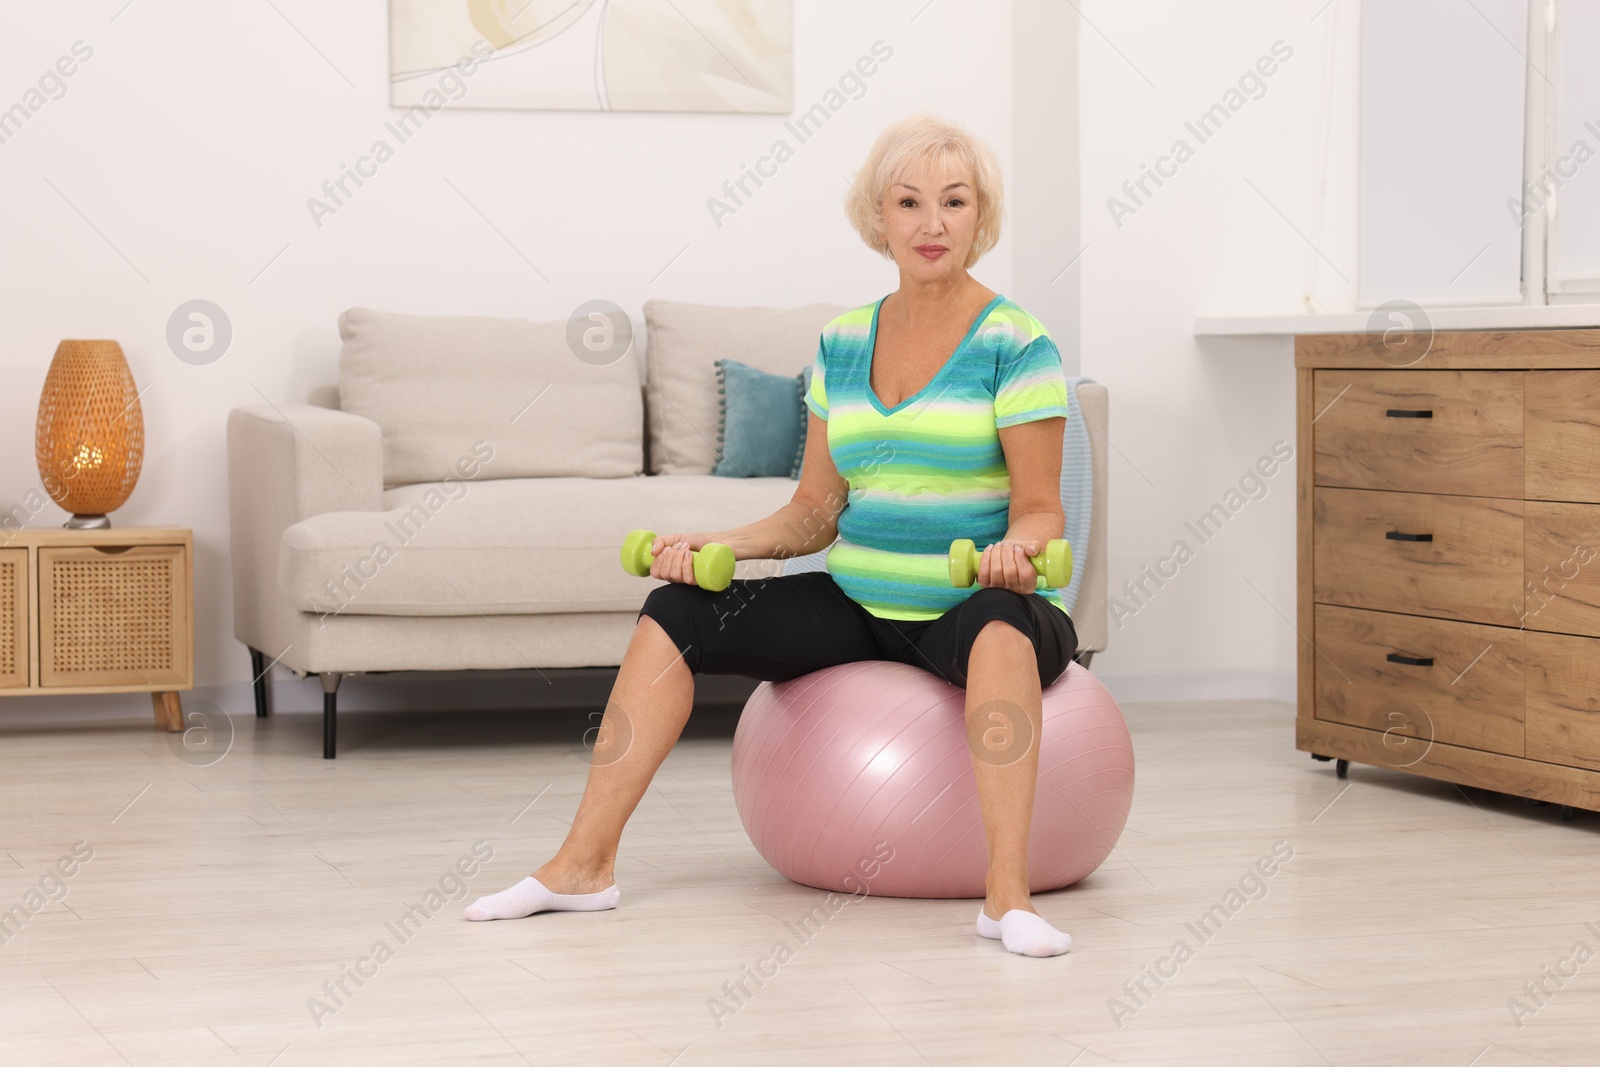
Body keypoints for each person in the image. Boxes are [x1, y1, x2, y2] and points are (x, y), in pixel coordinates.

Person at [466, 114, 1079, 957]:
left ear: (982, 215)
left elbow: (1044, 510)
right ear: (879, 216)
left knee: (1002, 625)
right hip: (859, 597)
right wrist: (723, 545)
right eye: (909, 202)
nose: (931, 224)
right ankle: (583, 864)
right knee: (675, 610)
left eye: (953, 201)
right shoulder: (842, 340)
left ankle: (1006, 899)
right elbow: (816, 511)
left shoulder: (1016, 340)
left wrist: (1019, 549)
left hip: (975, 605)